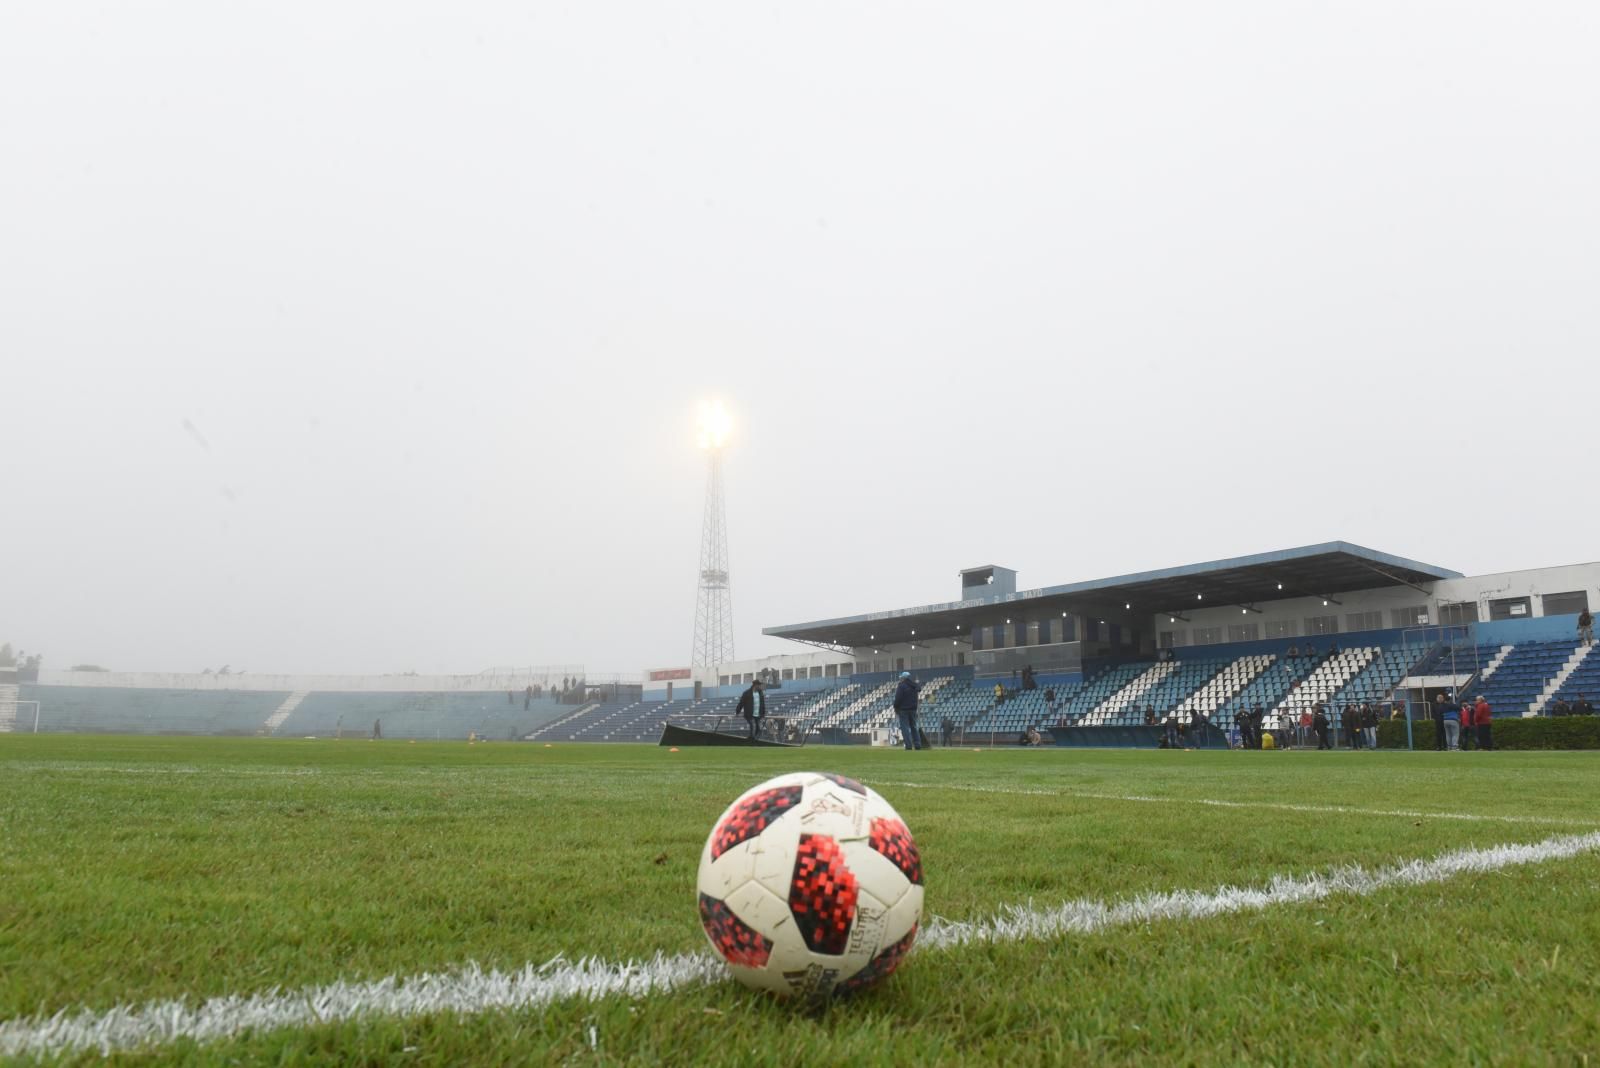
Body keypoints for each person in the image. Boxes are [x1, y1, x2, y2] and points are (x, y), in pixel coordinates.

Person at [892, 671, 923, 751]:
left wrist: (895, 707)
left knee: (905, 728)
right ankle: (917, 744)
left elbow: (898, 698)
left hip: (903, 710)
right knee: (914, 727)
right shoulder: (914, 685)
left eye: (901, 678)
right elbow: (919, 688)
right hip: (913, 709)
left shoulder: (901, 686)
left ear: (903, 678)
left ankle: (908, 745)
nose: (900, 679)